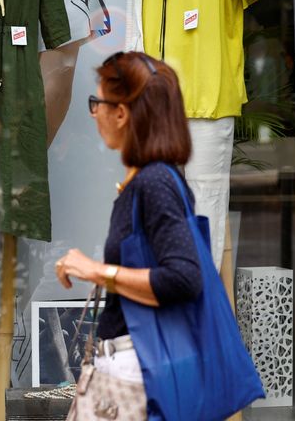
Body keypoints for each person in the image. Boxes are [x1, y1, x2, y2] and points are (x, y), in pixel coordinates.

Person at [54, 51, 204, 409]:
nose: (94, 114)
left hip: (135, 376)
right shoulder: (152, 179)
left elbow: (184, 278)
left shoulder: (155, 183)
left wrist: (95, 271)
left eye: (97, 102)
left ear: (121, 113)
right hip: (135, 369)